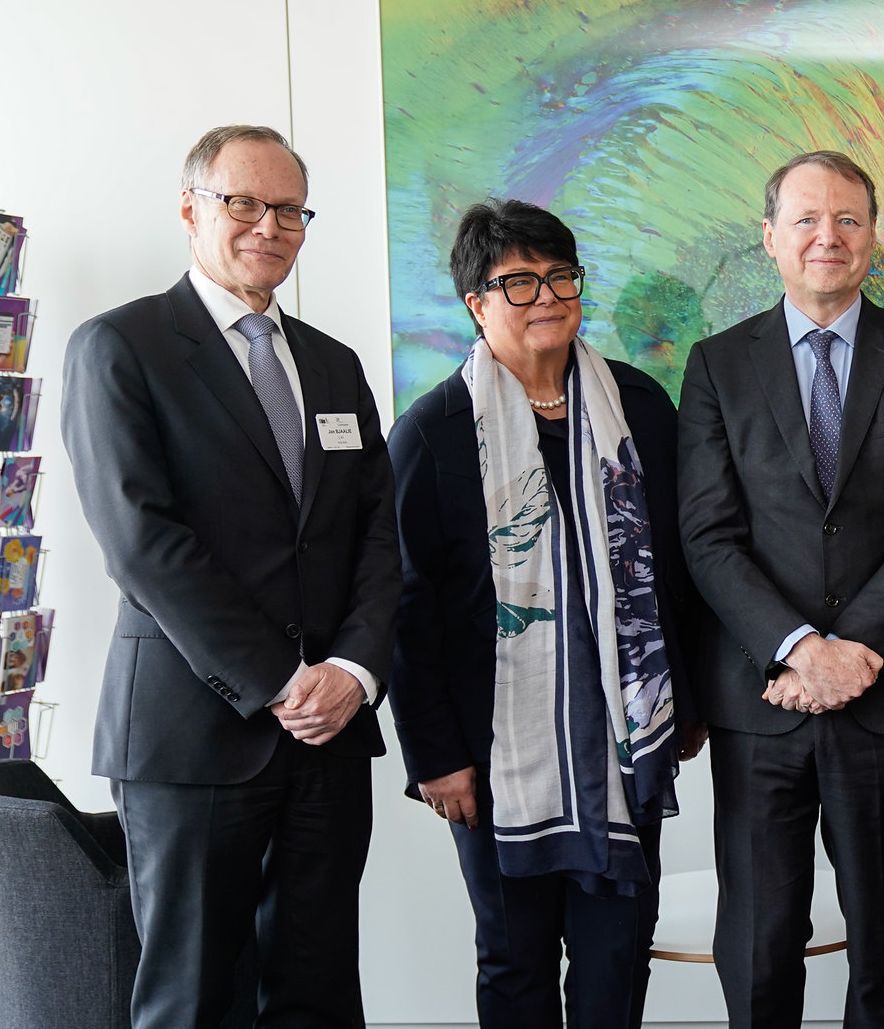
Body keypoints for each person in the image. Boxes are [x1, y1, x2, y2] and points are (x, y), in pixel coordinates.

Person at [60, 125, 399, 1027]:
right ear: (189, 209)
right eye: (242, 202)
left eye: (289, 208)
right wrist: (282, 680)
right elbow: (143, 542)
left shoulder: (333, 362)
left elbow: (377, 535)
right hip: (190, 735)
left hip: (330, 734)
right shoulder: (120, 347)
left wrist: (354, 674)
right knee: (193, 996)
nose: (269, 225)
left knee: (319, 991)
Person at [388, 199, 700, 1029]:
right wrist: (436, 754)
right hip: (490, 756)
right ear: (475, 303)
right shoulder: (433, 433)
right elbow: (405, 609)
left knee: (617, 953)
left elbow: (676, 567)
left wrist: (684, 705)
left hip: (621, 740)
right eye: (518, 281)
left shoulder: (638, 406)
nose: (547, 295)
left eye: (561, 275)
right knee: (515, 960)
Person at [677, 150, 884, 1027]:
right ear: (768, 237)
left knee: (883, 937)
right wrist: (802, 648)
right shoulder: (717, 364)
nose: (827, 237)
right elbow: (708, 533)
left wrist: (858, 652)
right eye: (805, 219)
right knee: (762, 938)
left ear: (873, 236)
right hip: (761, 695)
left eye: (847, 219)